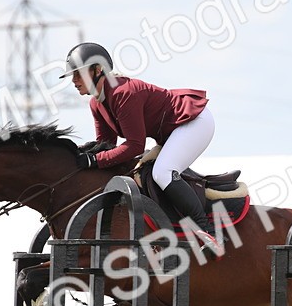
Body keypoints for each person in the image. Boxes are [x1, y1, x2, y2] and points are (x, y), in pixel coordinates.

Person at [61, 41, 223, 256]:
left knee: (162, 172)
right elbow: (106, 146)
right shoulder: (96, 103)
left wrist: (95, 160)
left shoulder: (123, 92)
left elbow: (135, 145)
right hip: (172, 131)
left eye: (78, 74)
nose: (73, 81)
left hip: (194, 122)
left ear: (98, 70)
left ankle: (207, 230)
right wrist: (85, 157)